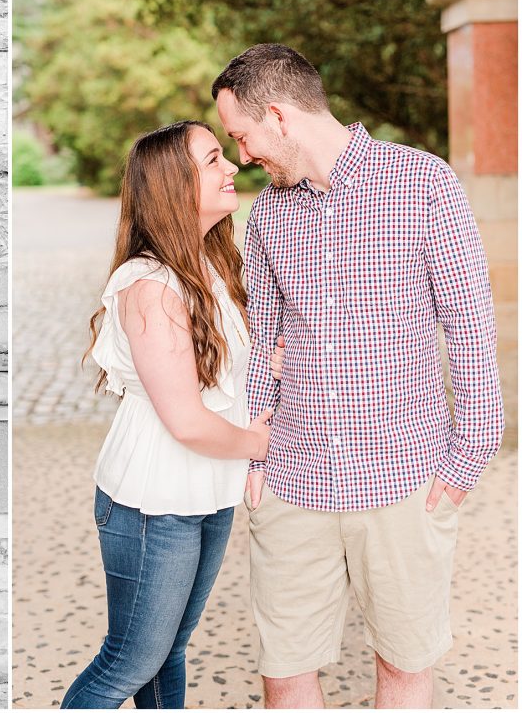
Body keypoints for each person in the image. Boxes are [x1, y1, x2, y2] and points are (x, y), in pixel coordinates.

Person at [213, 43, 503, 708]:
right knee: (284, 674)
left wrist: (468, 457)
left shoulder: (423, 183)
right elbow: (264, 336)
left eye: (243, 136)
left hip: (405, 481)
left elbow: (469, 325)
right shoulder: (268, 216)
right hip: (293, 479)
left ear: (280, 117)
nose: (243, 155)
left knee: (404, 668)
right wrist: (256, 454)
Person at [61, 120, 273, 709]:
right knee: (128, 661)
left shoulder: (213, 265)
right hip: (152, 501)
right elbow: (185, 420)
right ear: (173, 186)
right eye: (212, 160)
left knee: (169, 650)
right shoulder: (150, 284)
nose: (232, 166)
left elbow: (233, 380)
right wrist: (262, 444)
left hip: (206, 491)